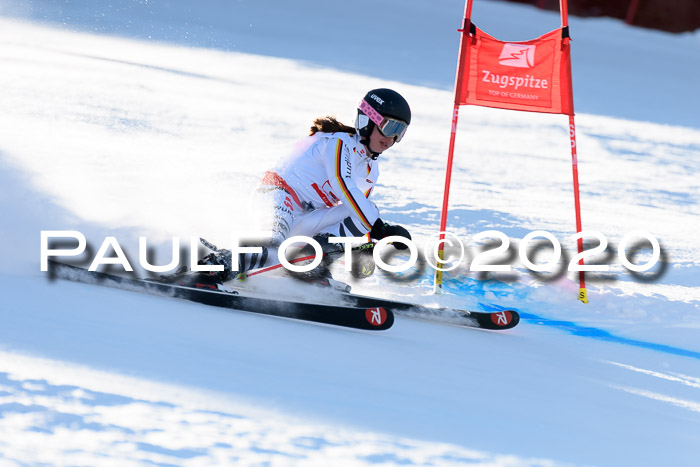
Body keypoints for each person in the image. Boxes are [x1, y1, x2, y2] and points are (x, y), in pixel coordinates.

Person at [204, 88, 413, 281]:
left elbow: (359, 213)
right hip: (278, 196)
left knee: (369, 210)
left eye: (400, 132)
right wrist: (379, 227)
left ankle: (309, 264)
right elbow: (343, 185)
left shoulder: (370, 171)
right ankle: (214, 267)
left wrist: (372, 241)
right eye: (390, 127)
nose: (392, 138)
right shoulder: (339, 143)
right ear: (368, 120)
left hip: (307, 216)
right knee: (274, 246)